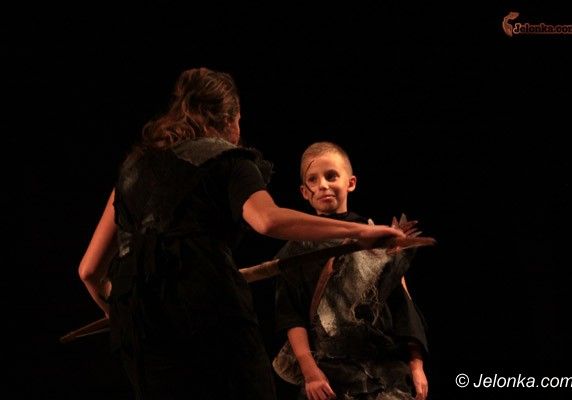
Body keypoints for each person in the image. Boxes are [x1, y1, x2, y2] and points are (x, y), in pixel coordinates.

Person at [77, 68, 410, 400]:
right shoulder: (226, 158)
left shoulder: (133, 170)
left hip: (140, 326)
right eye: (239, 120)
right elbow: (268, 220)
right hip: (208, 310)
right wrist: (358, 232)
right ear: (229, 118)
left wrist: (118, 309)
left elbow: (89, 271)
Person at [273, 142, 430, 400]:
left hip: (384, 370)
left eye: (331, 176)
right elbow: (291, 316)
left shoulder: (376, 237)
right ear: (304, 192)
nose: (323, 185)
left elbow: (402, 306)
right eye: (313, 180)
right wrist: (310, 371)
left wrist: (416, 365)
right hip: (328, 373)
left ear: (351, 182)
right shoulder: (297, 249)